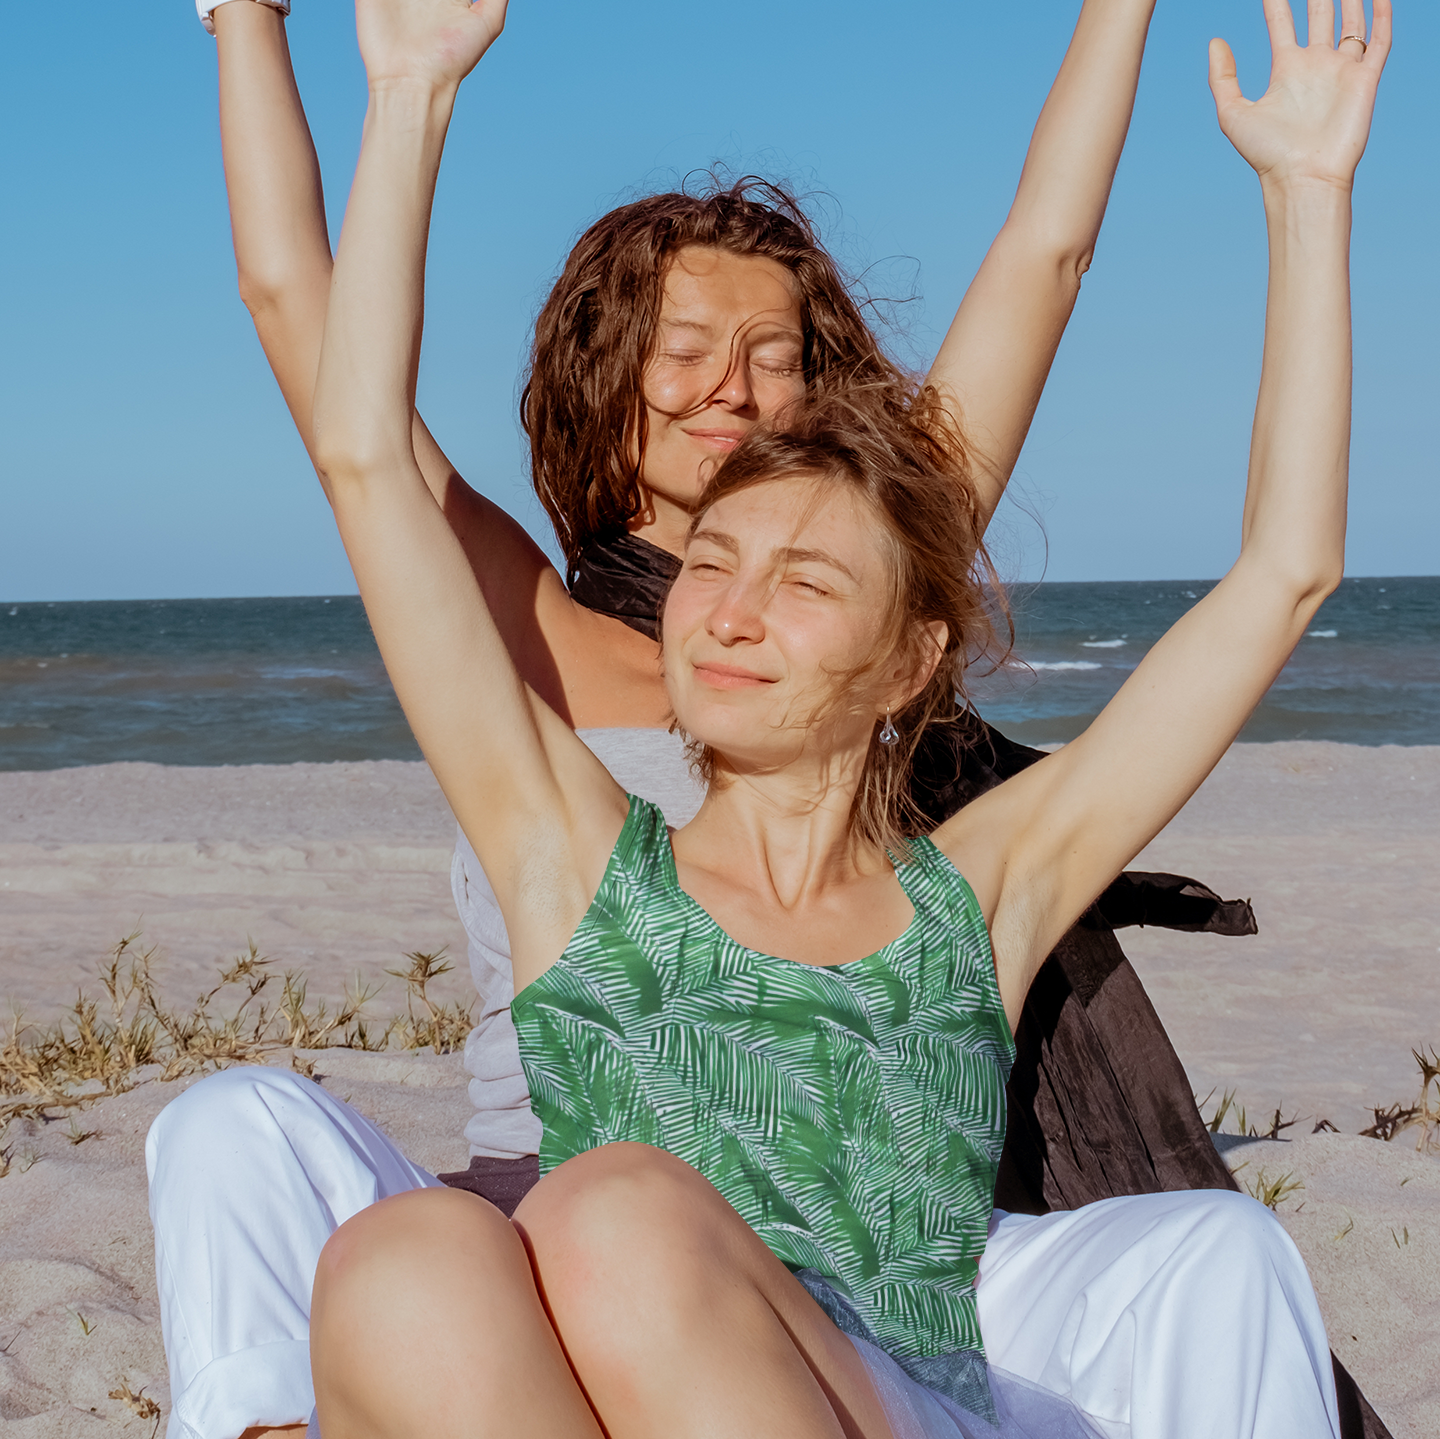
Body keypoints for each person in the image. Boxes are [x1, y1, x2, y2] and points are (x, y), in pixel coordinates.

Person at [174, 0, 1389, 1433]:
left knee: (619, 1211)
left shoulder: (976, 895)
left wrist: (1309, 199)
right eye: (711, 571)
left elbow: (1283, 571)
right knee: (404, 1258)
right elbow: (362, 453)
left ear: (904, 658)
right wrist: (408, 96)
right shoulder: (578, 857)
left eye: (802, 577)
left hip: (877, 1383)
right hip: (612, 1333)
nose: (733, 608)